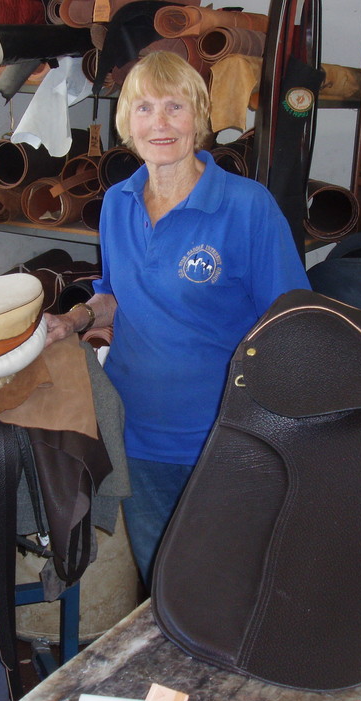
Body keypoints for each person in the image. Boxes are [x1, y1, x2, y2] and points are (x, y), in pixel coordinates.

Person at [45, 51, 310, 584]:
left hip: (222, 442)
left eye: (175, 107)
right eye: (144, 108)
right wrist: (72, 321)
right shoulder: (118, 203)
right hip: (137, 436)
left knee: (221, 590)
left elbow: (293, 325)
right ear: (127, 123)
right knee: (160, 588)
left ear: (200, 118)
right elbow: (115, 295)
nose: (159, 123)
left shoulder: (247, 207)